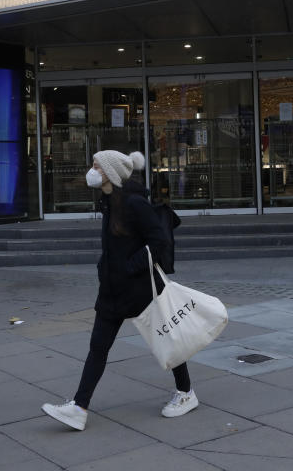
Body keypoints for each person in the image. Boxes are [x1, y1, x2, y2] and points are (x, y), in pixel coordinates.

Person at [42, 150, 197, 431]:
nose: (92, 170)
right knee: (97, 348)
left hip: (141, 289)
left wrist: (130, 266)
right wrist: (106, 268)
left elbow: (160, 241)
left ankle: (186, 393)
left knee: (168, 342)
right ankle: (79, 407)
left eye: (96, 166)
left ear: (110, 173)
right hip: (113, 291)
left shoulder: (135, 203)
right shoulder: (109, 203)